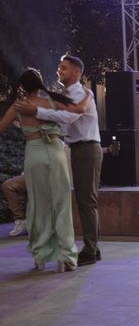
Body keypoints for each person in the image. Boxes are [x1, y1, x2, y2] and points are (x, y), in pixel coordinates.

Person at [15, 55, 103, 266]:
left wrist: (36, 111)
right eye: (59, 67)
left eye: (63, 68)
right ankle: (92, 248)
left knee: (86, 201)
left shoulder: (81, 93)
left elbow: (68, 117)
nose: (59, 71)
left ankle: (91, 250)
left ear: (76, 73)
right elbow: (63, 123)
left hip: (87, 148)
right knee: (83, 200)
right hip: (78, 148)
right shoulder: (69, 95)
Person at [0, 68, 89, 272]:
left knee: (38, 205)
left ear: (22, 86)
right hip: (56, 152)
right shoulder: (53, 101)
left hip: (35, 153)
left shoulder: (20, 105)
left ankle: (40, 256)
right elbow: (78, 110)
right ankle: (67, 257)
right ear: (40, 82)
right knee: (61, 203)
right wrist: (87, 97)